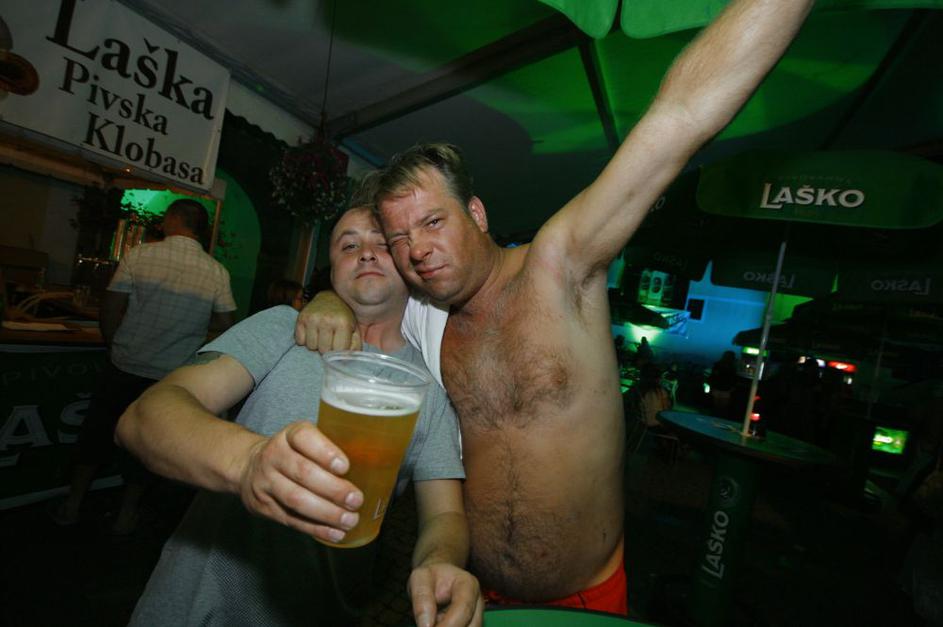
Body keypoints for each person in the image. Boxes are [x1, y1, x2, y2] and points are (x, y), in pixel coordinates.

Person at [297, 0, 815, 613]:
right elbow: (360, 287)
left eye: (433, 222)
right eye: (400, 238)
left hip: (586, 595)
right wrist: (328, 300)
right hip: (477, 594)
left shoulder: (557, 264)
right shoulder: (423, 313)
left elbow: (679, 117)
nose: (417, 250)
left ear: (476, 214)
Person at [115, 206, 482, 627]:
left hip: (324, 611)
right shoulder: (284, 328)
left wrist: (440, 562)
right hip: (194, 607)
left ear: (407, 262)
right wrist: (249, 462)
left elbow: (444, 515)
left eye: (382, 243)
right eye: (348, 245)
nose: (365, 253)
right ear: (333, 271)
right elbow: (142, 417)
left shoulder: (428, 388)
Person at [50, 198, 235, 533]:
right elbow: (225, 324)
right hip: (169, 377)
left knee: (96, 434)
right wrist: (194, 333)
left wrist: (114, 343)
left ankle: (72, 505)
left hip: (125, 364)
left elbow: (111, 306)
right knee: (146, 446)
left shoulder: (139, 255)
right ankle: (126, 515)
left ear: (173, 220)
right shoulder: (216, 272)